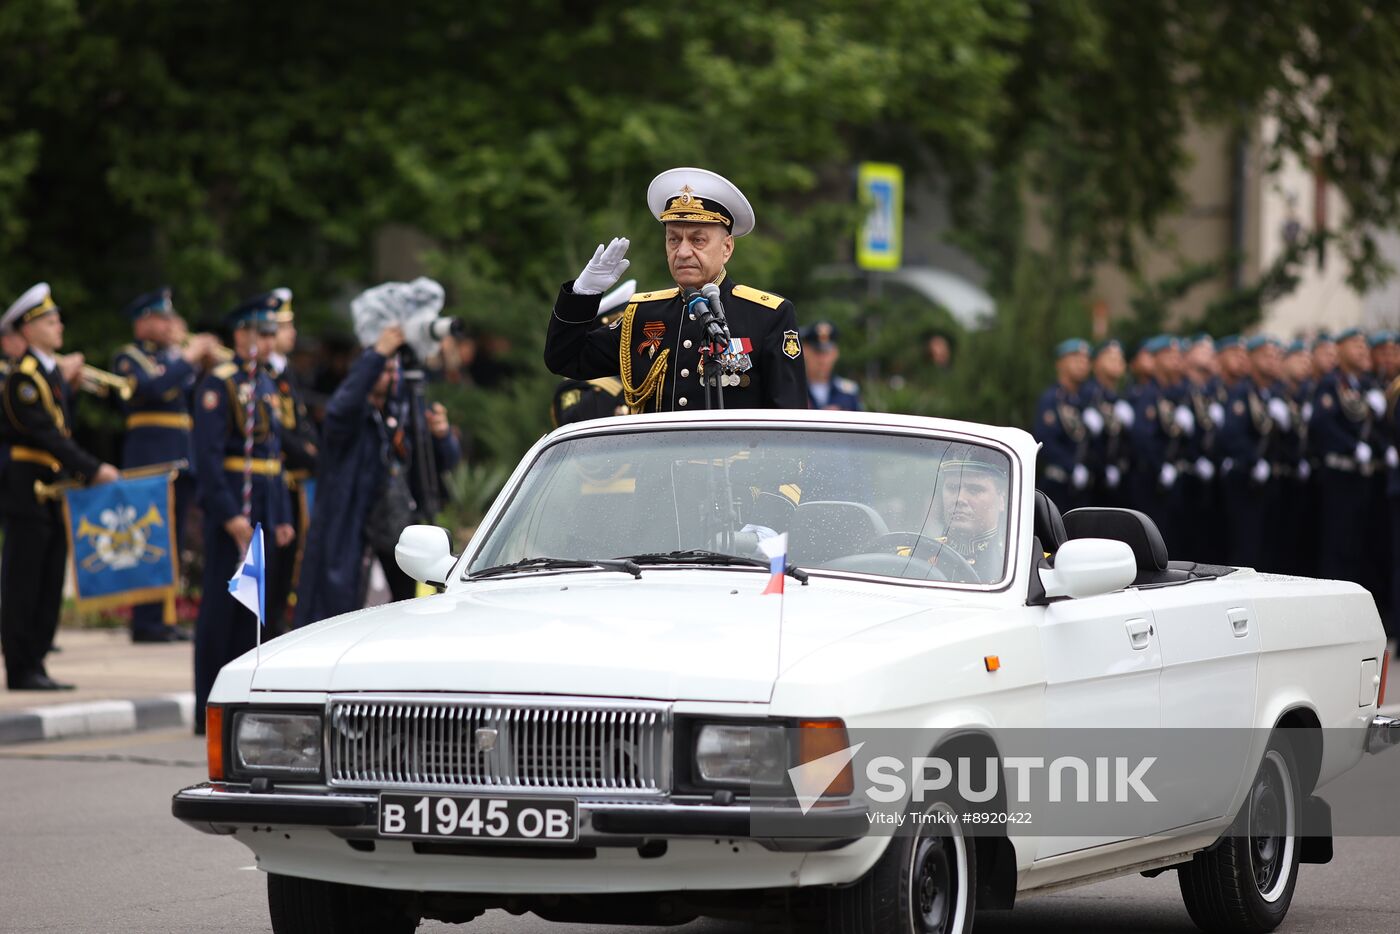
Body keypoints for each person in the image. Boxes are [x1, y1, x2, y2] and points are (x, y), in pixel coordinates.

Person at [544, 166, 807, 412]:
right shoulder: (643, 315)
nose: (682, 252)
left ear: (727, 248)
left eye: (698, 240)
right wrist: (583, 293)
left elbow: (789, 420)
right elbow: (565, 359)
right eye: (673, 239)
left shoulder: (767, 315)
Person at [294, 324, 461, 628]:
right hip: (353, 529)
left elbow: (444, 463)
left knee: (403, 613)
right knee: (343, 617)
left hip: (397, 529)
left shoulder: (405, 411)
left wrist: (442, 435)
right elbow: (339, 411)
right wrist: (376, 354)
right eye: (381, 369)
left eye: (391, 369)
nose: (389, 374)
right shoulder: (351, 415)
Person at [0, 283, 120, 691]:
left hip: (52, 487)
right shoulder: (23, 379)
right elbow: (48, 437)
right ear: (29, 329)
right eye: (50, 321)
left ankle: (37, 661)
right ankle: (20, 667)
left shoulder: (49, 375)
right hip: (28, 486)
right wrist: (93, 468)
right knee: (25, 580)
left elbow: (62, 430)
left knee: (50, 579)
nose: (59, 326)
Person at [191, 293, 295, 732]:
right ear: (242, 335)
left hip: (266, 506)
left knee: (255, 611)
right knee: (222, 606)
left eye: (273, 332)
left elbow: (275, 453)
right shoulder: (221, 382)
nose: (270, 340)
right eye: (262, 333)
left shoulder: (266, 381)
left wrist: (284, 514)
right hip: (235, 506)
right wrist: (229, 513)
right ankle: (208, 706)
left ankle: (242, 704)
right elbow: (208, 458)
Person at [113, 287, 217, 642]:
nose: (169, 323)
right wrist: (187, 358)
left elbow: (196, 401)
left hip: (181, 457)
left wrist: (204, 366)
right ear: (142, 322)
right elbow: (154, 390)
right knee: (150, 541)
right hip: (149, 460)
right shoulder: (129, 358)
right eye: (161, 317)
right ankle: (146, 622)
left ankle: (164, 618)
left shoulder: (174, 358)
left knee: (172, 541)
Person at [1310, 327, 1385, 588]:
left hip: (1360, 475)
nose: (1362, 349)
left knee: (1358, 545)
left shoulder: (1364, 386)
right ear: (1339, 350)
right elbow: (1321, 425)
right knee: (1337, 545)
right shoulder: (1332, 383)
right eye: (1355, 344)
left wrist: (1381, 447)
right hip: (1339, 474)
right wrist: (1351, 446)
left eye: (1364, 345)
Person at [262, 289, 318, 636]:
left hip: (294, 479)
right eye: (283, 326)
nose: (291, 333)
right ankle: (269, 625)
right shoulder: (266, 373)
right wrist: (308, 453)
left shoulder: (286, 372)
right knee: (275, 559)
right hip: (278, 476)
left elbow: (300, 421)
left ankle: (278, 620)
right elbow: (278, 429)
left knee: (287, 560)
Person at [1033, 338, 1093, 511]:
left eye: (1086, 359)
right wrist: (1071, 466)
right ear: (1060, 363)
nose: (1083, 363)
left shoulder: (1084, 401)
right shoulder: (1052, 399)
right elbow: (1045, 440)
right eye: (1076, 358)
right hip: (1057, 483)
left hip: (1082, 487)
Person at [934, 450, 1009, 582]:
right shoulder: (917, 556)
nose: (959, 498)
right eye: (952, 487)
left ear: (1002, 500)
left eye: (974, 489)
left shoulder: (1023, 563)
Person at [800, 321, 862, 410]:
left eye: (827, 353)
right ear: (805, 351)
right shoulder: (793, 391)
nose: (822, 360)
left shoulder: (849, 392)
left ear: (835, 353)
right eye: (817, 352)